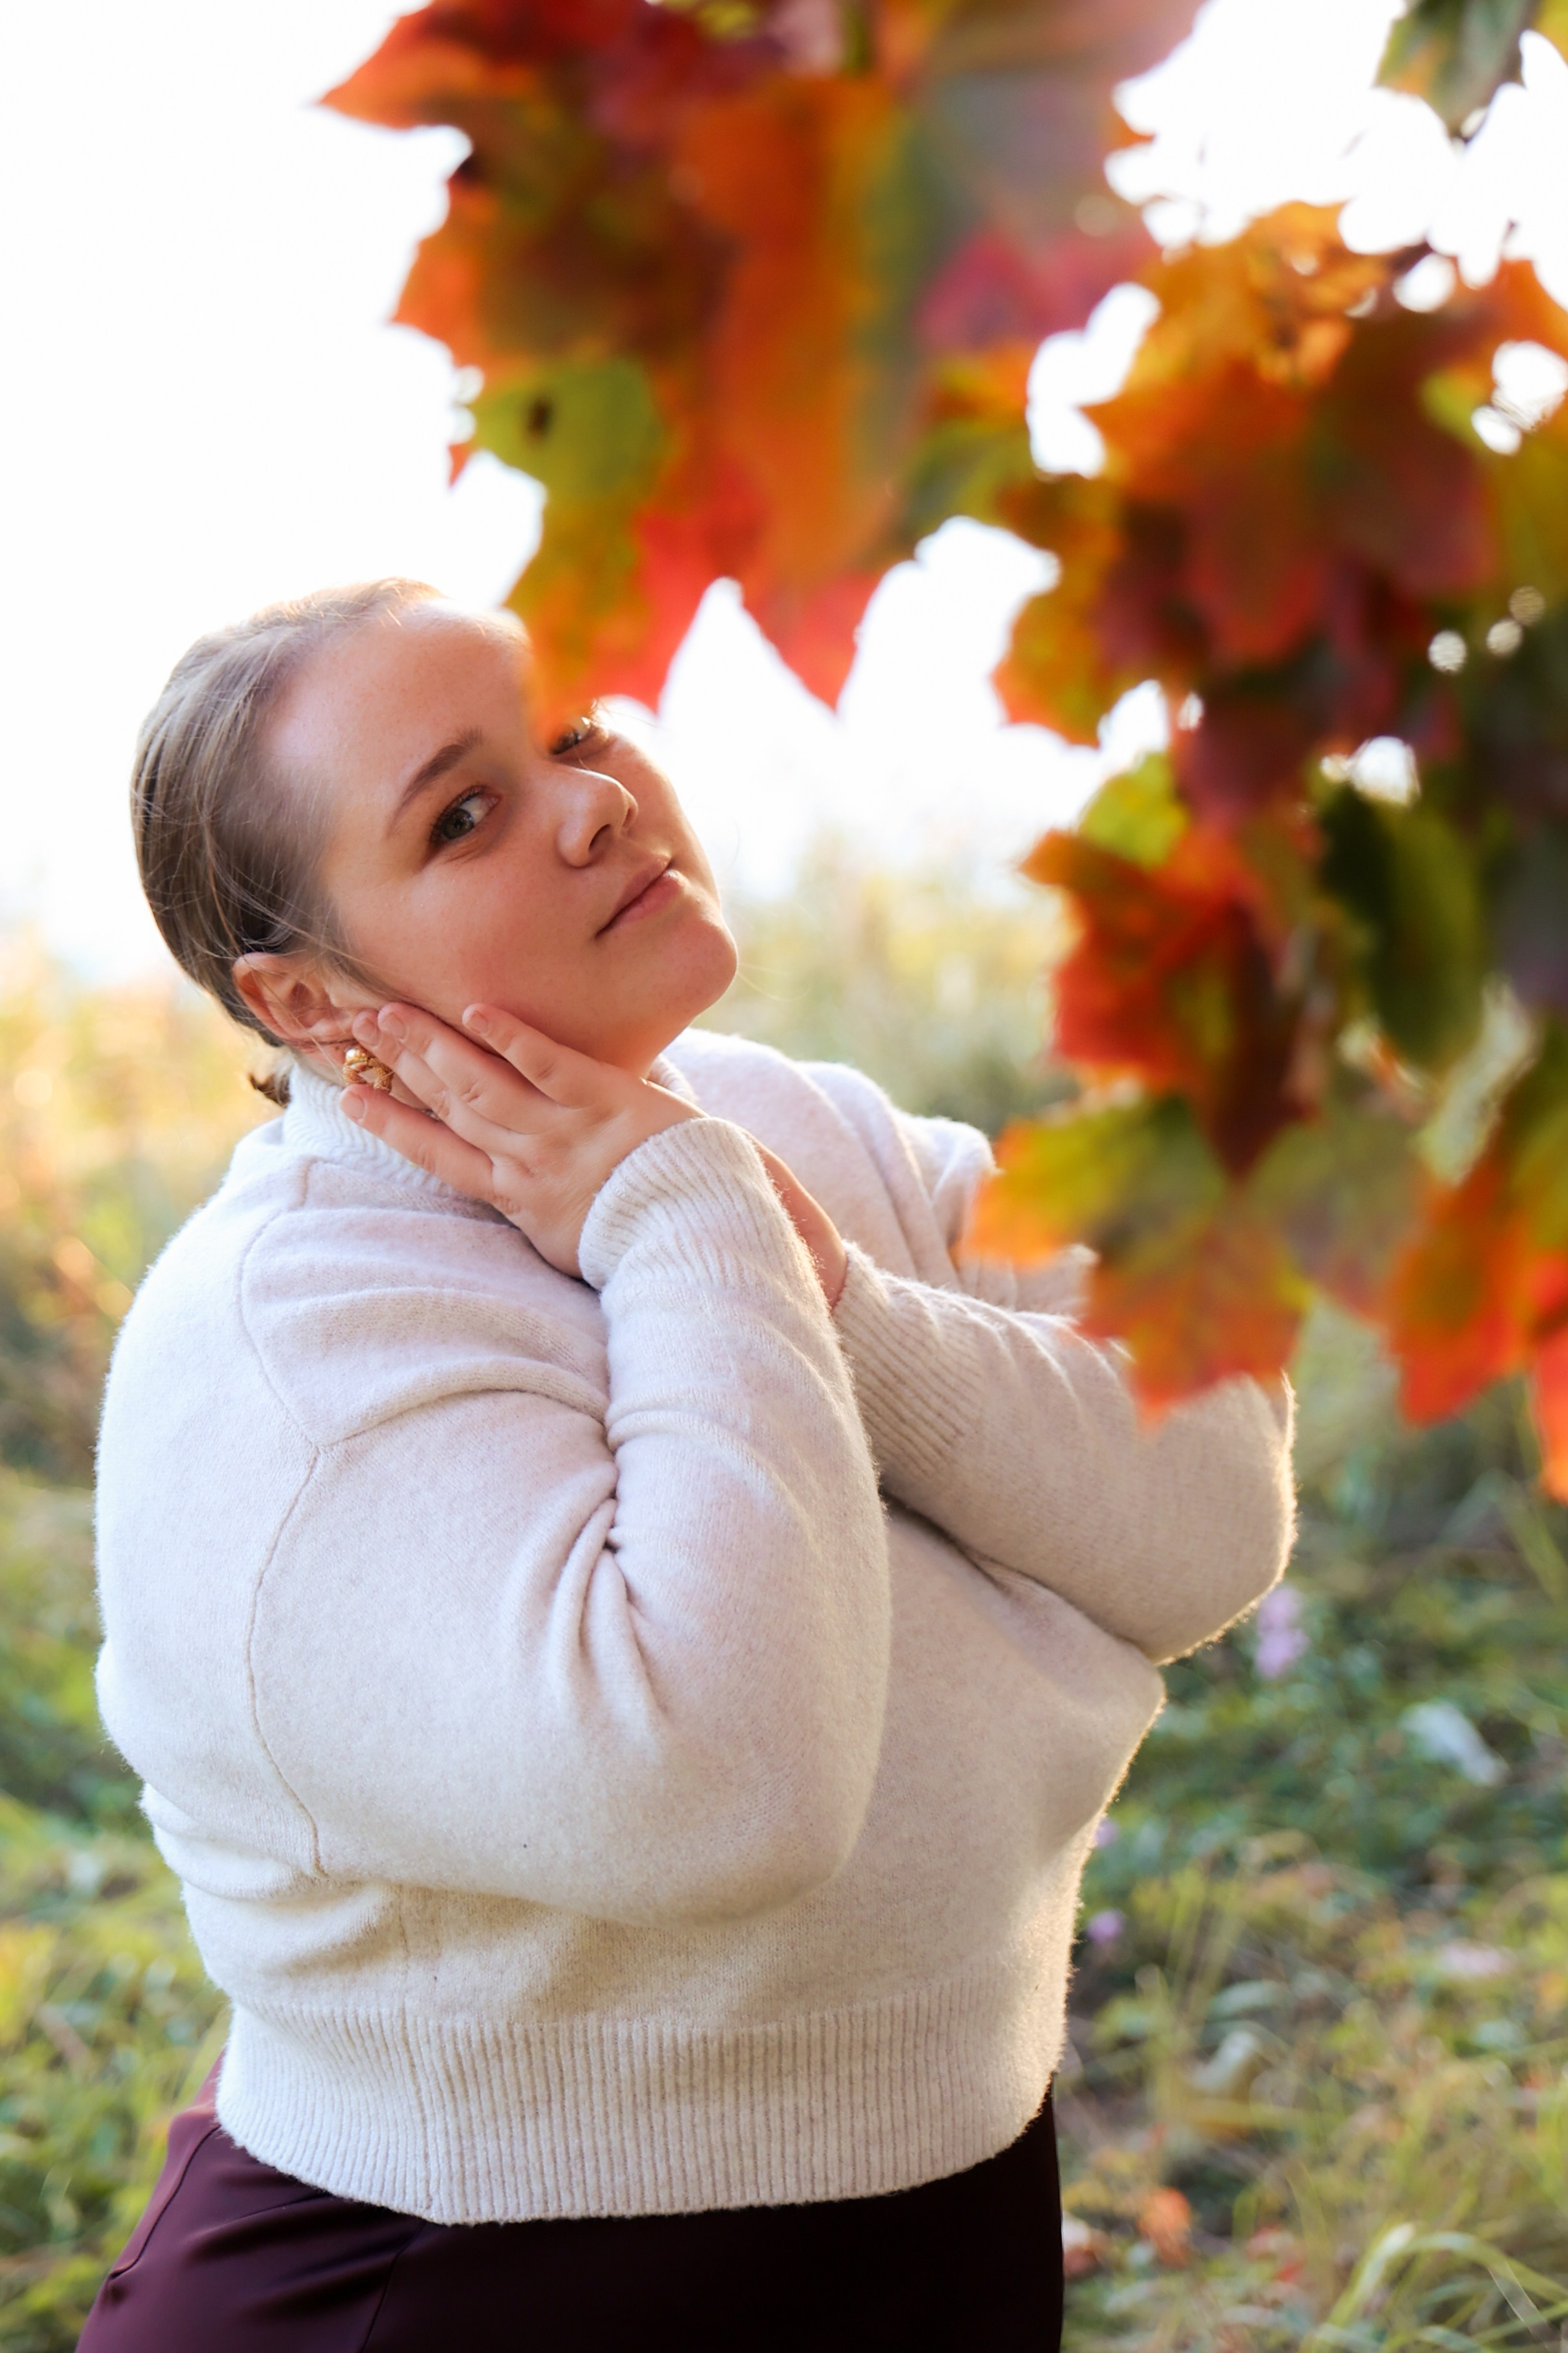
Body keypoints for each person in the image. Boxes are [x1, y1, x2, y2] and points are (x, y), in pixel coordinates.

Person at [82, 578, 1294, 2350]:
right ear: (304, 993)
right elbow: (730, 1787)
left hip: (938, 2231)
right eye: (463, 813)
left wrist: (838, 1305)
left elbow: (1209, 1521)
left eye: (575, 725)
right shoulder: (281, 1346)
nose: (594, 800)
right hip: (464, 2288)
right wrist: (678, 1215)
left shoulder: (804, 1126)